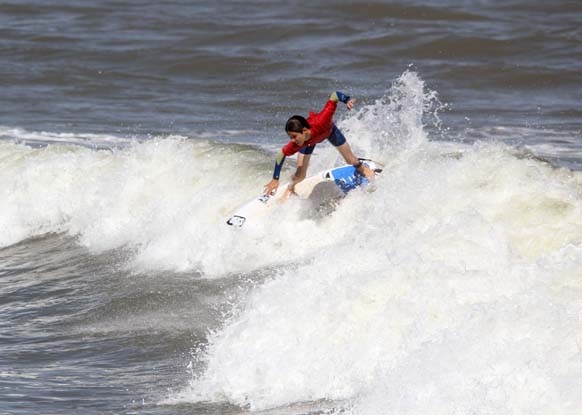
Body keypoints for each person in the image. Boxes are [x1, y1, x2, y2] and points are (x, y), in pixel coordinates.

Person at [263, 91, 375, 197]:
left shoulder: (322, 120)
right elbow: (281, 154)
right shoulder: (298, 142)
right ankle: (290, 187)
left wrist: (346, 100)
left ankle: (363, 169)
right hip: (308, 143)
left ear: (305, 131)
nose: (292, 140)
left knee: (351, 160)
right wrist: (275, 179)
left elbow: (334, 95)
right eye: (290, 137)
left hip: (329, 132)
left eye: (294, 136)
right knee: (300, 175)